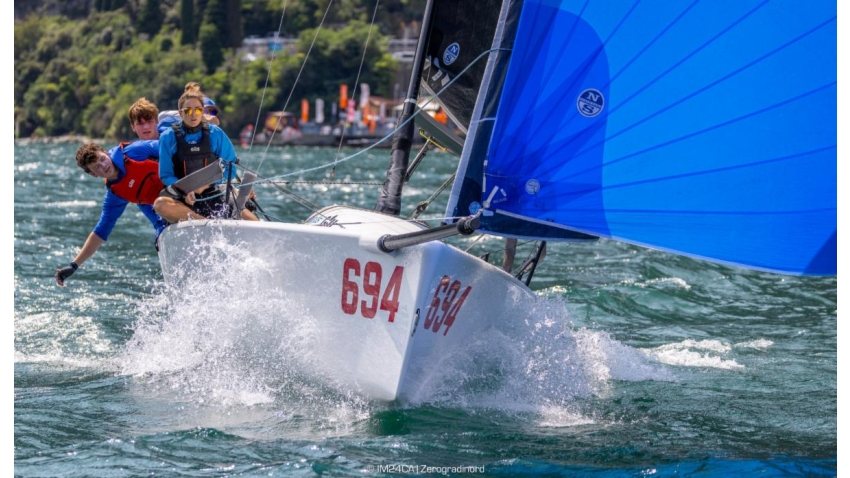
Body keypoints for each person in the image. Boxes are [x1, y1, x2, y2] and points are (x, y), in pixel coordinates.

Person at [55, 141, 167, 286]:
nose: (104, 166)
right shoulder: (116, 193)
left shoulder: (134, 152)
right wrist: (74, 265)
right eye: (97, 167)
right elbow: (101, 231)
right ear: (93, 174)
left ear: (107, 153)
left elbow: (170, 145)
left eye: (102, 159)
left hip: (186, 188)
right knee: (160, 222)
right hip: (167, 209)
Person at [154, 84, 258, 223]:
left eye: (197, 110)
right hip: (185, 198)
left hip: (214, 193)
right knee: (160, 204)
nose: (193, 114)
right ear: (180, 113)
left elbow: (230, 167)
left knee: (253, 221)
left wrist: (207, 185)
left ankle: (212, 222)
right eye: (188, 110)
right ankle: (205, 224)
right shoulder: (168, 137)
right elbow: (166, 175)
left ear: (202, 111)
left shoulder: (216, 133)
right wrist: (187, 189)